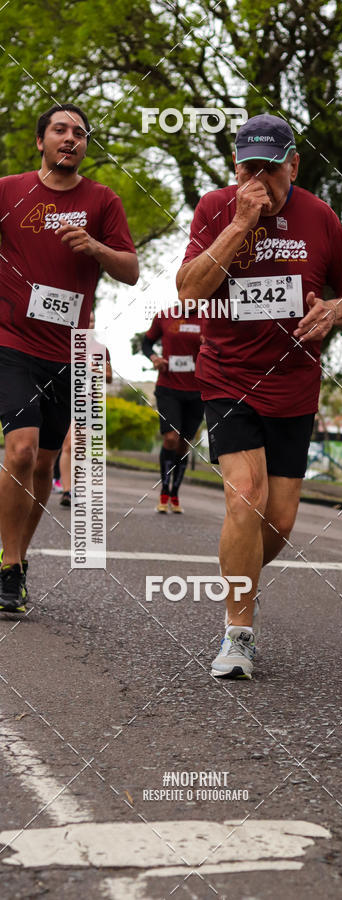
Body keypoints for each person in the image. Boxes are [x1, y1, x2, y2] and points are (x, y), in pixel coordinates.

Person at [176, 113, 342, 678]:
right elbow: (188, 291)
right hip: (228, 375)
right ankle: (238, 633)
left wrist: (334, 310)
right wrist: (239, 223)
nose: (261, 177)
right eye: (249, 167)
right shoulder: (216, 208)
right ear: (236, 167)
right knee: (246, 498)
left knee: (279, 522)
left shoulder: (320, 217)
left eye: (272, 167)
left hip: (294, 385)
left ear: (294, 165)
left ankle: (242, 579)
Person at [0, 103, 138, 614]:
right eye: (60, 130)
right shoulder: (9, 191)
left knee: (42, 464)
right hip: (11, 341)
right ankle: (8, 565)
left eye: (80, 133)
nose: (71, 138)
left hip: (69, 350)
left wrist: (96, 248)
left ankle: (18, 558)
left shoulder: (103, 201)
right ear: (41, 141)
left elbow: (130, 271)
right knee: (19, 449)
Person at [142, 302, 203, 513]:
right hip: (168, 388)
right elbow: (146, 343)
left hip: (197, 391)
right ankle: (164, 491)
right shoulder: (165, 316)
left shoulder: (210, 317)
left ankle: (175, 492)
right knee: (171, 438)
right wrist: (155, 358)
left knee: (184, 443)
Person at [57, 310, 112, 509]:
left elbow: (109, 376)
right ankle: (66, 489)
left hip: (88, 402)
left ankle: (72, 489)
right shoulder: (66, 343)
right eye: (86, 320)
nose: (89, 324)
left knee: (77, 446)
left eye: (92, 321)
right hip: (65, 398)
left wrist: (92, 370)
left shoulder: (100, 349)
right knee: (68, 445)